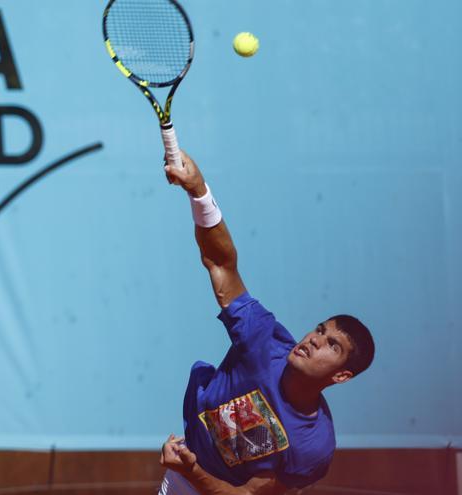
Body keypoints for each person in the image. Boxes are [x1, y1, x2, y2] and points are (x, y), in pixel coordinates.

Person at [156, 151, 375, 495]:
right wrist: (199, 191)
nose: (316, 340)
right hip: (182, 478)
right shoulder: (262, 339)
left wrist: (195, 471)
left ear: (341, 375)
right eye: (320, 329)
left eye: (333, 345)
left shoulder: (314, 447)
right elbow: (220, 263)